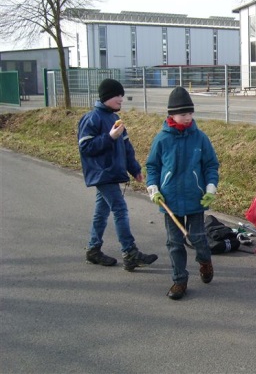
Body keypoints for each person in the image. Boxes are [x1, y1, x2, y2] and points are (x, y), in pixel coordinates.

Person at [145, 86, 219, 300]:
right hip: (170, 200)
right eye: (183, 114)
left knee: (197, 238)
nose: (188, 118)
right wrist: (153, 188)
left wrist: (210, 187)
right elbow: (152, 167)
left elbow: (211, 165)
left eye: (190, 113)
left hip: (195, 197)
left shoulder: (200, 138)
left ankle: (205, 261)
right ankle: (179, 280)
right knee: (174, 241)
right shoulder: (161, 139)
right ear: (171, 115)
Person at [78, 78, 158, 271]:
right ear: (106, 96)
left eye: (122, 96)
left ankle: (93, 249)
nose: (121, 99)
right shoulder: (92, 118)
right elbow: (85, 147)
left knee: (102, 212)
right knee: (120, 209)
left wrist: (135, 169)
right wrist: (109, 137)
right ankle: (129, 252)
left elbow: (126, 147)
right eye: (117, 95)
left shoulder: (115, 119)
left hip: (113, 174)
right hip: (102, 174)